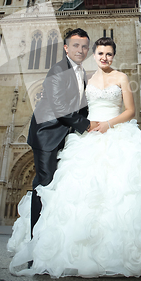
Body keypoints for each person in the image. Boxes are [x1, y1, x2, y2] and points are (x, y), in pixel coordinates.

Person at [8, 37, 141, 281]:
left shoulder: (121, 78)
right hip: (88, 136)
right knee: (81, 191)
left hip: (116, 131)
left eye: (109, 54)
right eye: (100, 53)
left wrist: (108, 124)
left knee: (123, 189)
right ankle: (74, 252)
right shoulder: (86, 79)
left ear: (113, 56)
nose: (104, 57)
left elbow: (130, 111)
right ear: (94, 55)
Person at [26, 28, 98, 238]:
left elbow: (80, 106)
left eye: (84, 46)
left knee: (60, 186)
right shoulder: (58, 69)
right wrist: (86, 125)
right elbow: (59, 106)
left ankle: (53, 240)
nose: (81, 50)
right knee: (44, 185)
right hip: (47, 134)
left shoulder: (81, 72)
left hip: (65, 135)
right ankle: (36, 245)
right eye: (76, 45)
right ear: (66, 48)